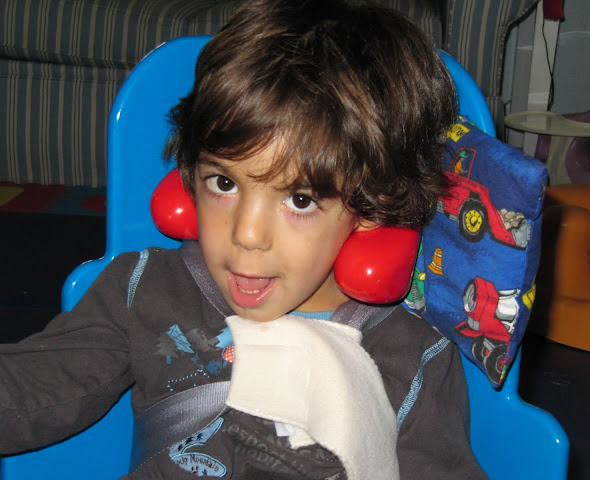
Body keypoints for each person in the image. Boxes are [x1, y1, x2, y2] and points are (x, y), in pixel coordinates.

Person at [0, 0, 488, 478]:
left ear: (373, 207)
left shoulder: (409, 357)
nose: (246, 234)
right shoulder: (146, 290)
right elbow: (30, 390)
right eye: (224, 183)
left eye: (300, 199)